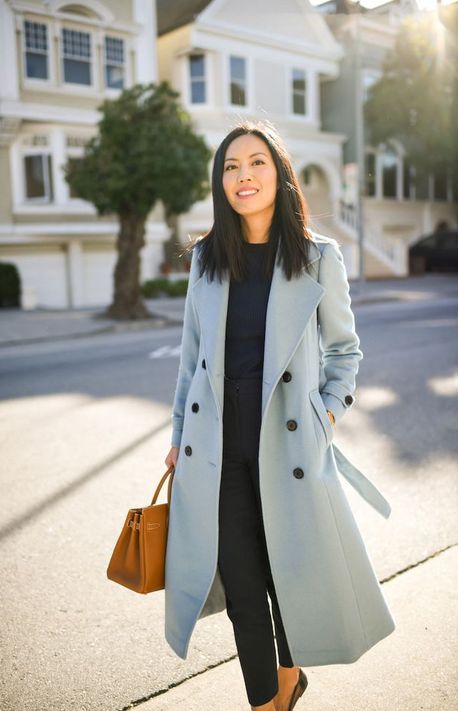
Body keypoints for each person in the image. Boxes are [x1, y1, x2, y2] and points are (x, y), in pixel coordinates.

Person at [164, 120, 395, 711]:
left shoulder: (319, 257)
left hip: (289, 440)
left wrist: (328, 414)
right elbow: (191, 365)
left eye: (256, 163)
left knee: (290, 574)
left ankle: (290, 676)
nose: (243, 176)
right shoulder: (207, 261)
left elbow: (344, 351)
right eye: (231, 167)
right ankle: (267, 700)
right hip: (219, 442)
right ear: (221, 183)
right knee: (243, 585)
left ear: (279, 173)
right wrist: (179, 437)